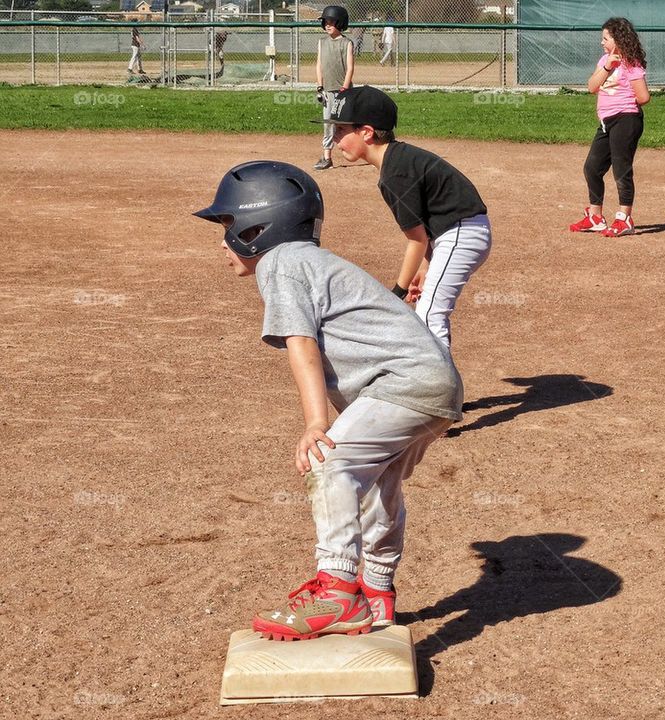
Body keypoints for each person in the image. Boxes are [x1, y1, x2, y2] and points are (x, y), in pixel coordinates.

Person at [193, 160, 463, 640]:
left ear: (260, 225)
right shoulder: (307, 260)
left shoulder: (281, 262)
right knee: (378, 486)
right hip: (433, 383)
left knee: (327, 462)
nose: (222, 240)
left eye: (229, 224)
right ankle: (376, 591)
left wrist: (317, 422)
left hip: (402, 383)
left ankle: (338, 592)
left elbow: (301, 341)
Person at [317, 85, 491, 350]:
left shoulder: (394, 175)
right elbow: (429, 223)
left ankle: (441, 387)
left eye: (341, 130)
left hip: (462, 234)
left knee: (430, 313)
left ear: (367, 132)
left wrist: (397, 291)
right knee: (427, 309)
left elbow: (417, 240)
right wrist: (425, 268)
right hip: (454, 232)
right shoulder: (398, 160)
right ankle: (437, 382)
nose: (334, 139)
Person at [569, 17, 650, 238]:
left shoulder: (631, 62)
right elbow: (592, 87)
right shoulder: (605, 60)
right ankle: (595, 217)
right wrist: (608, 66)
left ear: (618, 38)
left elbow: (643, 97)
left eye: (605, 38)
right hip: (607, 122)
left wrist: (625, 99)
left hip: (626, 119)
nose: (601, 42)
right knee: (592, 167)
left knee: (621, 170)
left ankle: (625, 219)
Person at [314, 5, 355, 170]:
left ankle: (369, 151)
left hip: (343, 91)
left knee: (350, 123)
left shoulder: (346, 43)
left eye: (331, 21)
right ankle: (327, 158)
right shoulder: (321, 42)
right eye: (325, 21)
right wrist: (319, 86)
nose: (327, 25)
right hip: (327, 90)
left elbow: (350, 68)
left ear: (340, 23)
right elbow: (319, 65)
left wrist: (344, 88)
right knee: (329, 123)